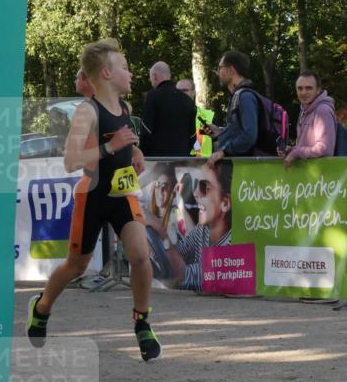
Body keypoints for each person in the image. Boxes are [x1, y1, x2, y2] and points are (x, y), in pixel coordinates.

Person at [26, 38, 161, 361]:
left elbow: (125, 142)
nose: (131, 73)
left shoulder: (125, 109)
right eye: (125, 68)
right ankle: (41, 307)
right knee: (77, 265)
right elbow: (71, 161)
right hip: (92, 195)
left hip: (122, 194)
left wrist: (136, 151)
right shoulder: (87, 111)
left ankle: (142, 322)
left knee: (141, 256)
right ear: (106, 74)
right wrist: (110, 148)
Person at [171, 160, 233, 292]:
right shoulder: (203, 228)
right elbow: (180, 251)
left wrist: (158, 230)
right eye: (197, 186)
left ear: (225, 204)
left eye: (204, 187)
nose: (195, 193)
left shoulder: (232, 243)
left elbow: (185, 277)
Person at [206, 51, 258, 164]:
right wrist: (220, 133)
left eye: (220, 67)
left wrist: (224, 151)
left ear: (231, 70)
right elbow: (239, 132)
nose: (218, 72)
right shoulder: (238, 96)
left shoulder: (245, 97)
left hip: (246, 171)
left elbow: (249, 135)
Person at [140, 62, 197, 157]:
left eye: (150, 77)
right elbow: (192, 136)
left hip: (157, 159)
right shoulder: (188, 101)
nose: (150, 81)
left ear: (154, 76)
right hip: (181, 159)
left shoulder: (152, 96)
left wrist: (144, 155)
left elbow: (146, 130)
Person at [280, 71, 336, 165]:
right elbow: (307, 147)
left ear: (318, 90)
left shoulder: (322, 111)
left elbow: (325, 148)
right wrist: (292, 150)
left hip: (322, 176)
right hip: (308, 175)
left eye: (308, 88)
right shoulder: (304, 110)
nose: (303, 92)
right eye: (300, 88)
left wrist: (297, 153)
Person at [178, 77, 214, 158]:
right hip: (177, 165)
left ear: (193, 92)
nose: (181, 94)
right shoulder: (168, 118)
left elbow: (219, 144)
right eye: (178, 91)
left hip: (203, 165)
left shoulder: (208, 116)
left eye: (184, 90)